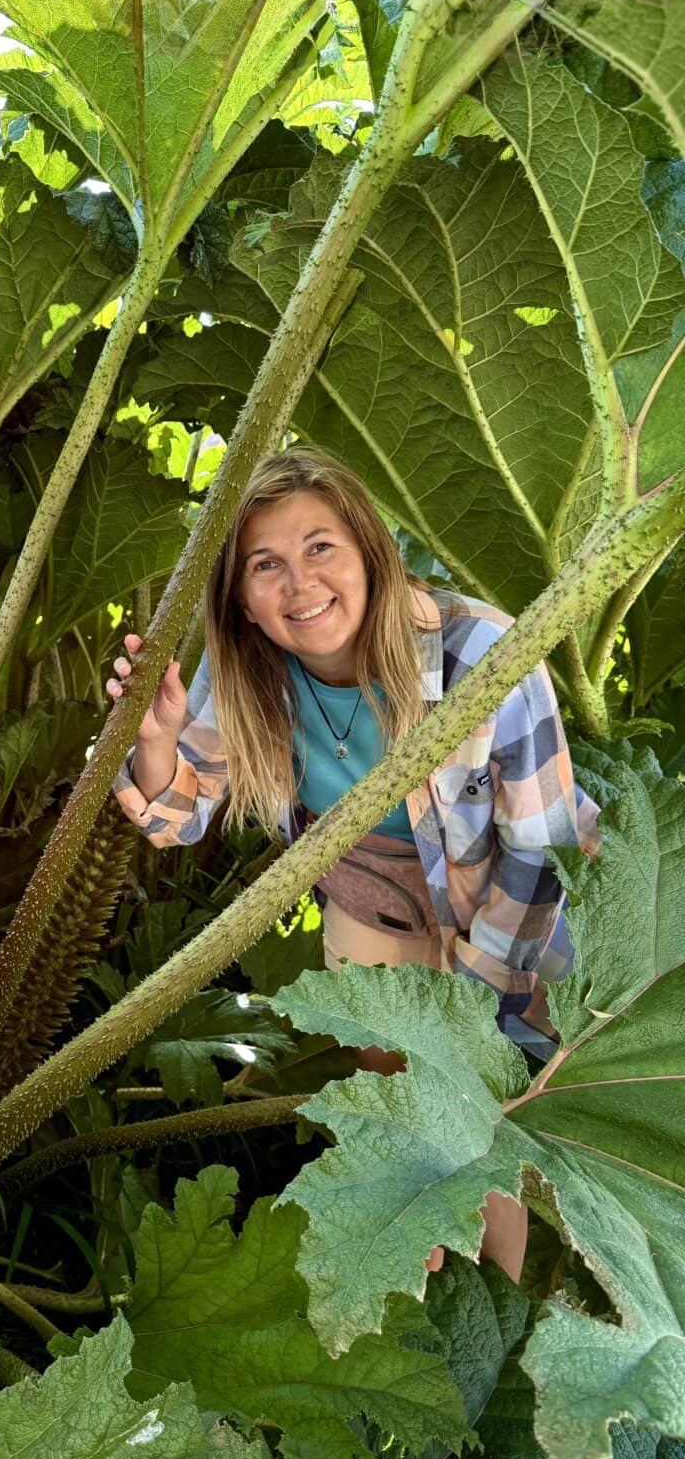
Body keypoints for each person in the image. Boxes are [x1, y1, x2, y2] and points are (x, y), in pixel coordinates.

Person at [107, 447, 599, 1281]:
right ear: (243, 601)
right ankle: (423, 1325)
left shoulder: (485, 650)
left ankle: (515, 1325)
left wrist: (463, 1008)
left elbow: (541, 851)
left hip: (515, 921)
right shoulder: (247, 675)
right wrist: (152, 743)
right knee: (407, 1154)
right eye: (266, 565)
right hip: (374, 914)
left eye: (319, 547)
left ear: (370, 551)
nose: (298, 584)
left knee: (495, 1143)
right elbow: (177, 818)